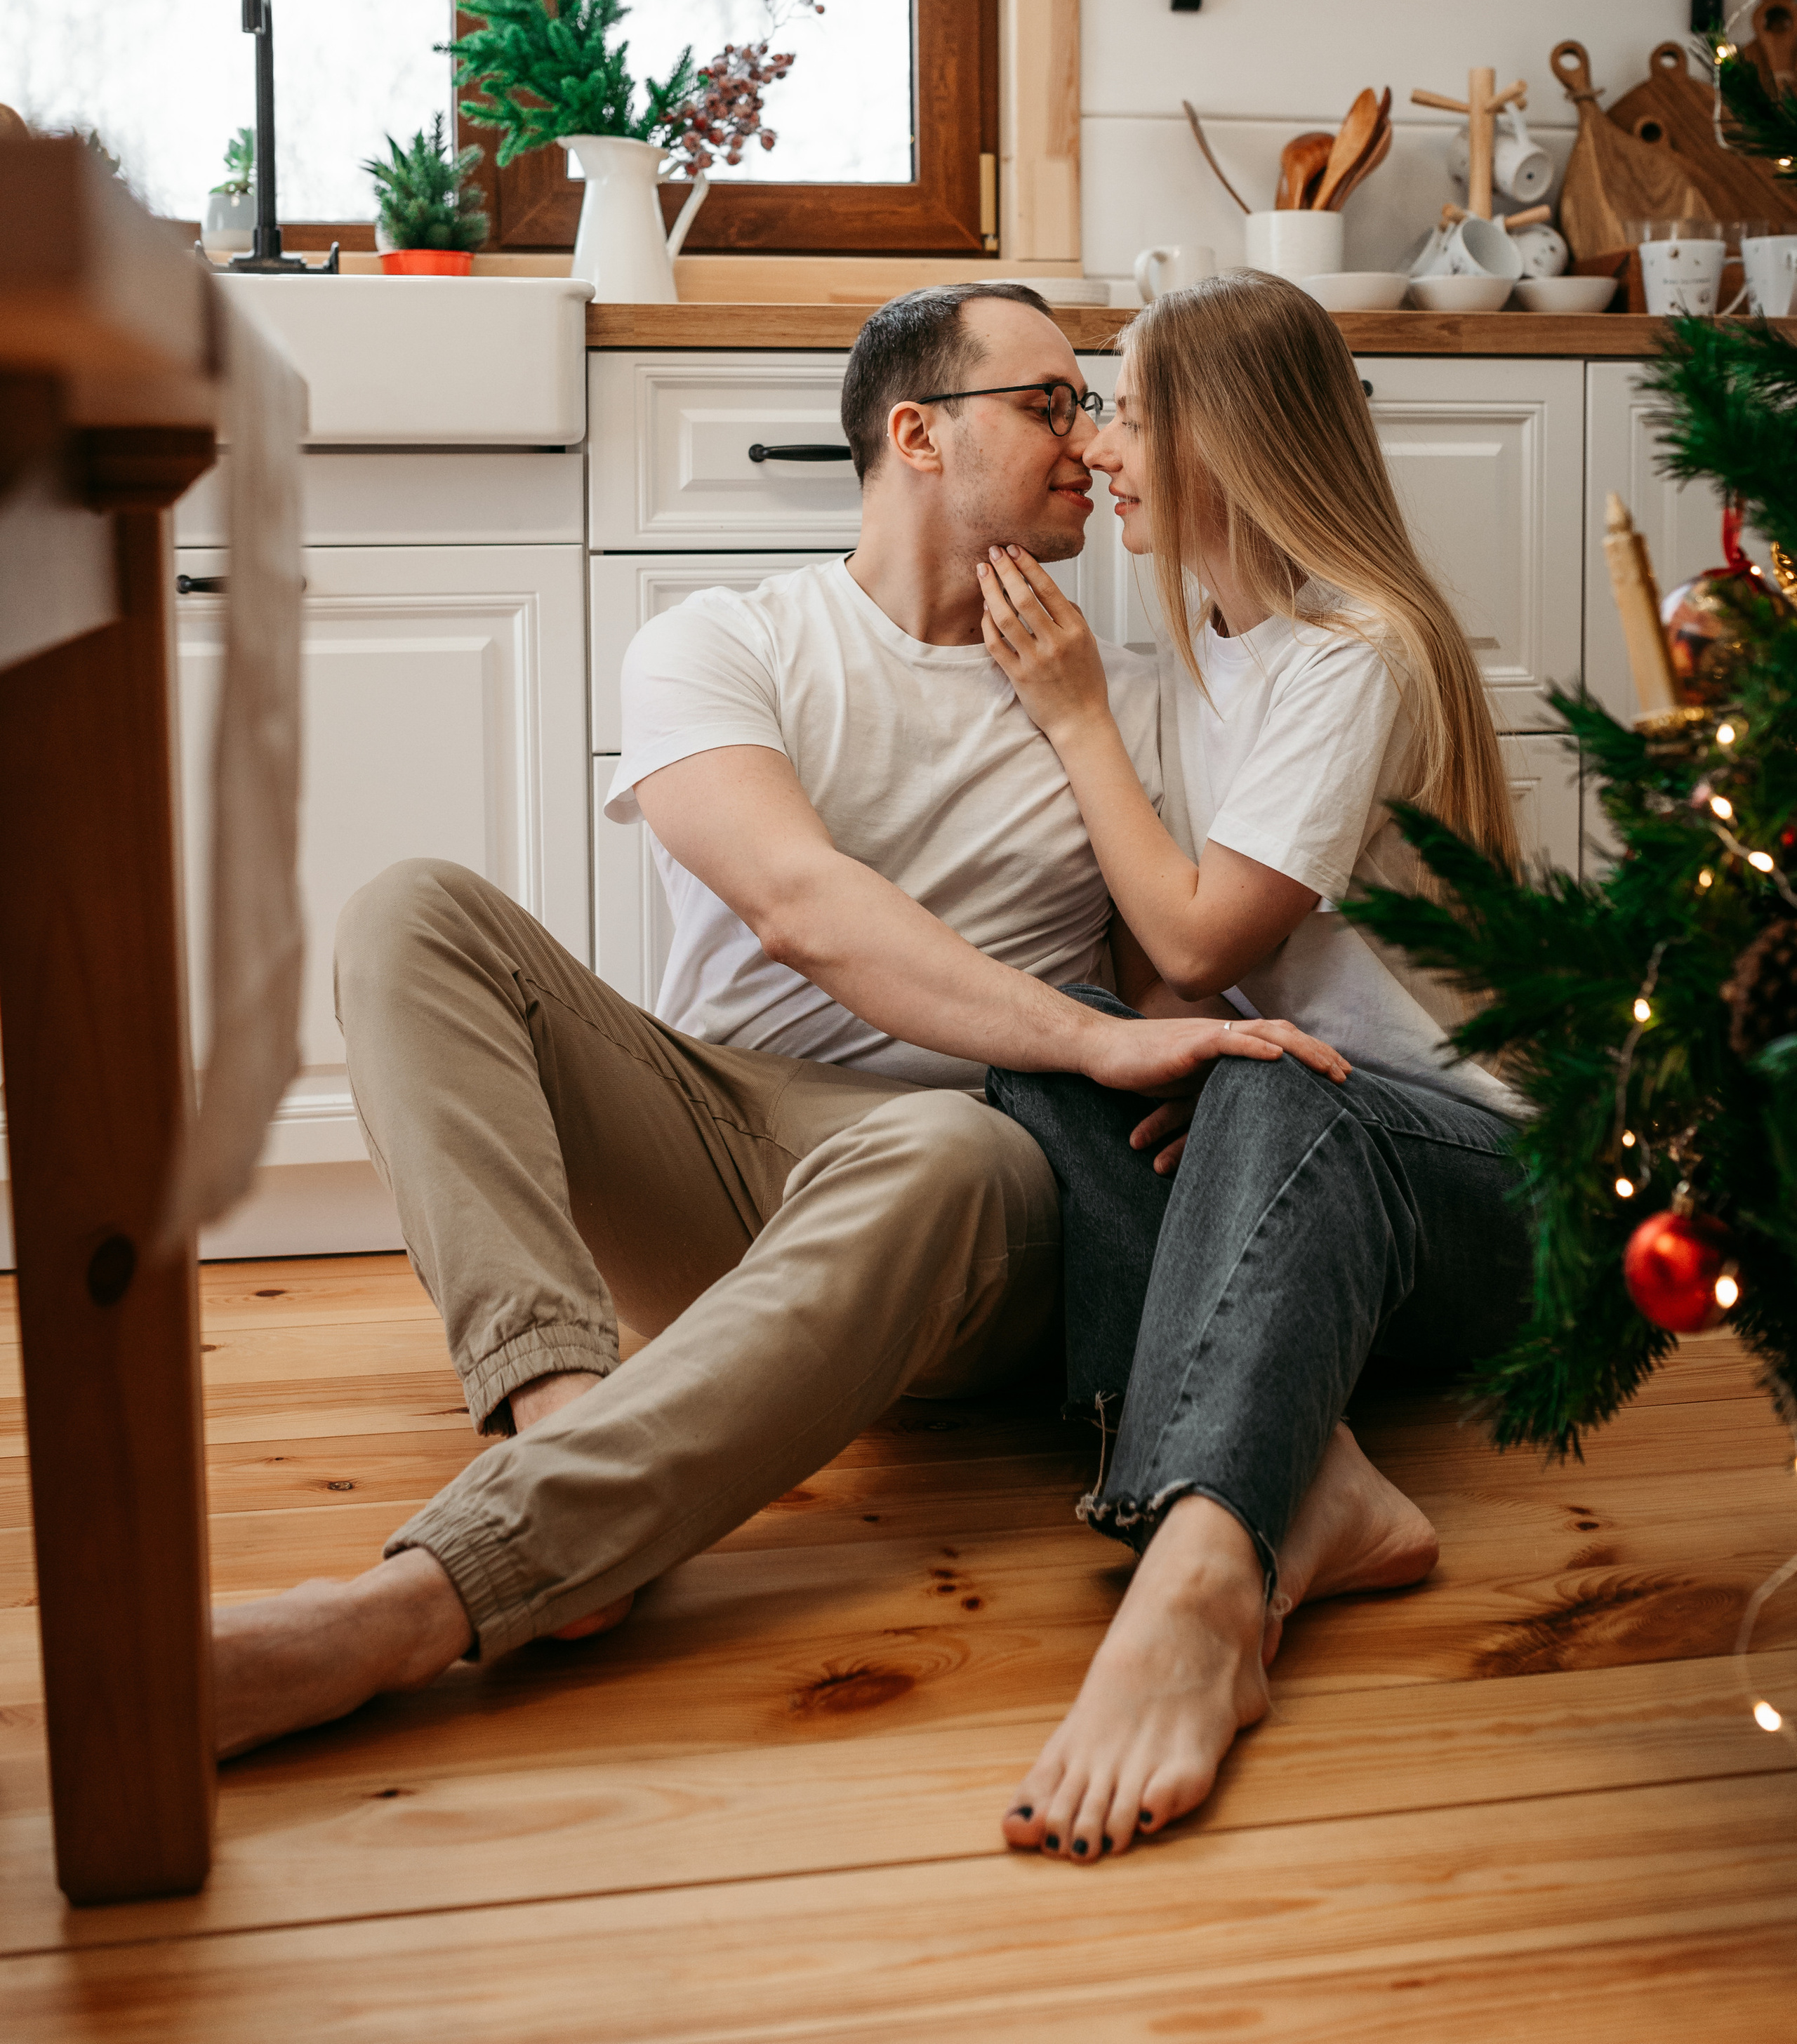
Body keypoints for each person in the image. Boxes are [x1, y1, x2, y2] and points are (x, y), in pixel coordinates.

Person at [213, 280, 1348, 1758]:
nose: (1092, 438)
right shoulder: (723, 643)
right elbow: (794, 903)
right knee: (408, 908)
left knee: (946, 1145)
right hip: (718, 1130)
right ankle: (563, 1432)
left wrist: (1157, 1053)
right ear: (917, 433)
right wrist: (1087, 1036)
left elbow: (1162, 981)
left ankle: (426, 1599)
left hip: (971, 1180)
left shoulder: (1128, 699)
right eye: (1051, 401)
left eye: (1092, 405)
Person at [975, 270, 1534, 1864]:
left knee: (1283, 1079)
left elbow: (1208, 940)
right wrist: (1159, 1052)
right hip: (1294, 1137)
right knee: (1035, 1045)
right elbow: (1164, 978)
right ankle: (1318, 1481)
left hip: (1474, 1182)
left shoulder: (1354, 651)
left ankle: (1204, 1566)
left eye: (1127, 409)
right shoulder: (1193, 663)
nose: (1095, 446)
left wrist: (1075, 718)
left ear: (1227, 435)